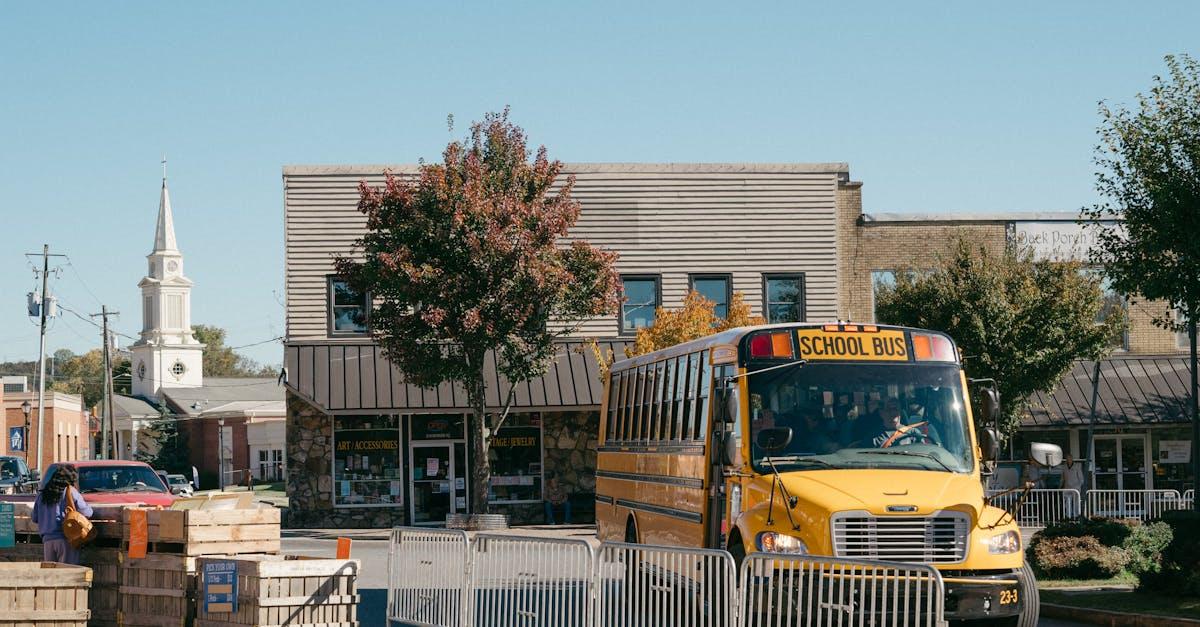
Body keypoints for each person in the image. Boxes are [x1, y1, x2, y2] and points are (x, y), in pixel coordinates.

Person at [32, 464, 93, 564]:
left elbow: (34, 518)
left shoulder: (42, 495)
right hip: (66, 539)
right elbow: (87, 512)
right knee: (68, 571)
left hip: (47, 541)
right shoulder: (70, 491)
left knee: (51, 572)